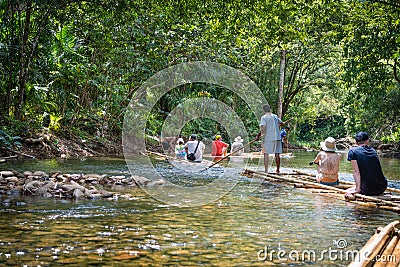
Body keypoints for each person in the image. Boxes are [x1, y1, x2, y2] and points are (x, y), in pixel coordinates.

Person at [345, 132, 387, 196]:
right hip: (382, 187)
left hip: (367, 190)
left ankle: (359, 188)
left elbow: (356, 172)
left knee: (348, 190)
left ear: (356, 142)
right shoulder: (373, 150)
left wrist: (357, 190)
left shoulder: (353, 151)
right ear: (367, 141)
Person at [255, 104, 292, 174]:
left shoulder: (264, 118)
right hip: (277, 137)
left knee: (266, 154)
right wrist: (281, 124)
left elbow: (263, 128)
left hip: (268, 138)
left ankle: (266, 171)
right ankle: (277, 170)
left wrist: (258, 136)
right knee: (277, 154)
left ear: (263, 110)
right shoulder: (275, 116)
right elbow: (281, 123)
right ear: (270, 110)